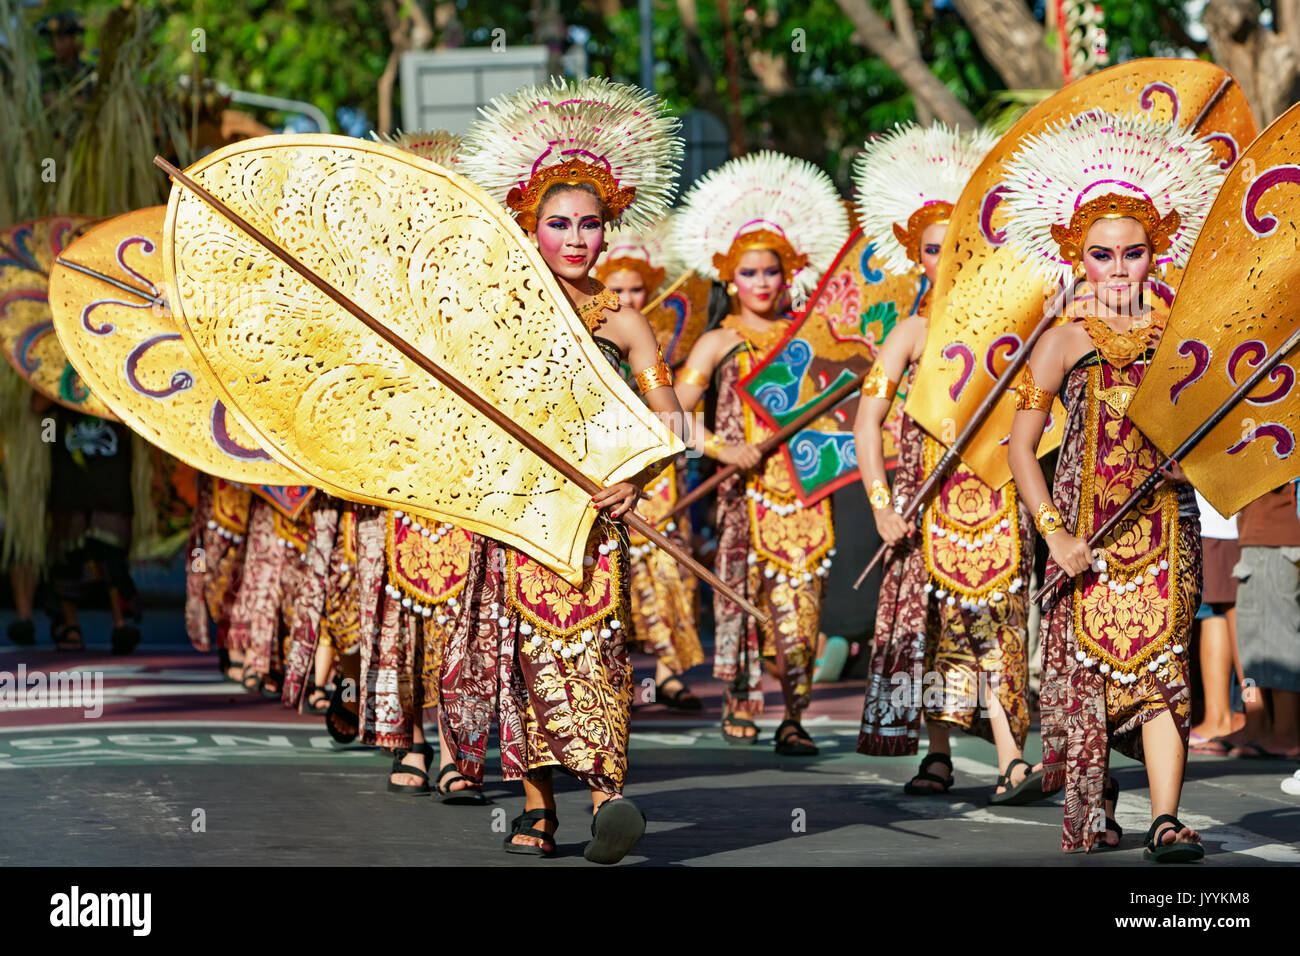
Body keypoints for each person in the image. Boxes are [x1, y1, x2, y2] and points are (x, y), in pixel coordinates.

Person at [444, 76, 689, 863]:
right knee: (525, 658)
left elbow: (671, 419)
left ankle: (609, 798)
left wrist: (639, 480)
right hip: (517, 512)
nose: (576, 239)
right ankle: (538, 807)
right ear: (530, 227)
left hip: (598, 518)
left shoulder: (625, 320)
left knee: (595, 652)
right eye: (558, 224)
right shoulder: (499, 306)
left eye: (589, 224)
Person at [1003, 109, 1225, 860]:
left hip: (1165, 527)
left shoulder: (1183, 333)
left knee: (1164, 670)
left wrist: (1192, 452)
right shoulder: (1061, 340)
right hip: (1081, 534)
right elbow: (1021, 448)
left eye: (1134, 253)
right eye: (1103, 255)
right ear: (1078, 256)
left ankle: (1166, 818)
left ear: (1155, 254)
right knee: (1091, 675)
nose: (1120, 268)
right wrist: (1053, 532)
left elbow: (1212, 429)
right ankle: (1097, 795)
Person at [851, 123, 1043, 805]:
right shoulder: (908, 333)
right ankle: (938, 755)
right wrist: (880, 503)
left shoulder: (1017, 329)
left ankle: (1013, 758)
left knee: (1000, 625)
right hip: (924, 506)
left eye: (959, 242)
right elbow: (866, 422)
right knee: (935, 627)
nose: (947, 257)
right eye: (934, 248)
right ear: (916, 255)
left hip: (995, 497)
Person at [672, 150, 849, 754]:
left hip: (803, 490)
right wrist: (724, 448)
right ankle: (740, 702)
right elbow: (670, 415)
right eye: (750, 273)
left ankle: (794, 715)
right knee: (742, 602)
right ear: (729, 279)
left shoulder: (811, 337)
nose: (763, 283)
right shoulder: (717, 342)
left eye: (772, 271)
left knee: (801, 608)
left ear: (789, 273)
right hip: (740, 493)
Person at [594, 221, 706, 710]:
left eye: (636, 287)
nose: (627, 294)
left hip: (656, 465)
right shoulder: (578, 321)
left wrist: (701, 447)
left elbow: (685, 413)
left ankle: (667, 672)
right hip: (598, 458)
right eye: (617, 287)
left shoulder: (669, 335)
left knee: (665, 567)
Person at [34, 395, 140, 654]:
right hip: (70, 480)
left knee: (112, 555)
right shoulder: (60, 368)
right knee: (67, 556)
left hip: (112, 478)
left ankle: (121, 622)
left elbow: (142, 407)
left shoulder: (115, 364)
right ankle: (70, 624)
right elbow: (37, 410)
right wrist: (63, 381)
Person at [1223, 483, 1300, 759]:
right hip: (1258, 537)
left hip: (1279, 537)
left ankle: (1287, 732)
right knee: (1252, 640)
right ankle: (1258, 724)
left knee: (1280, 637)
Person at [1188, 489, 1245, 753]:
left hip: (1223, 520)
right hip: (1215, 520)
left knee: (1228, 611)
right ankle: (1221, 715)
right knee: (1214, 611)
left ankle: (1228, 715)